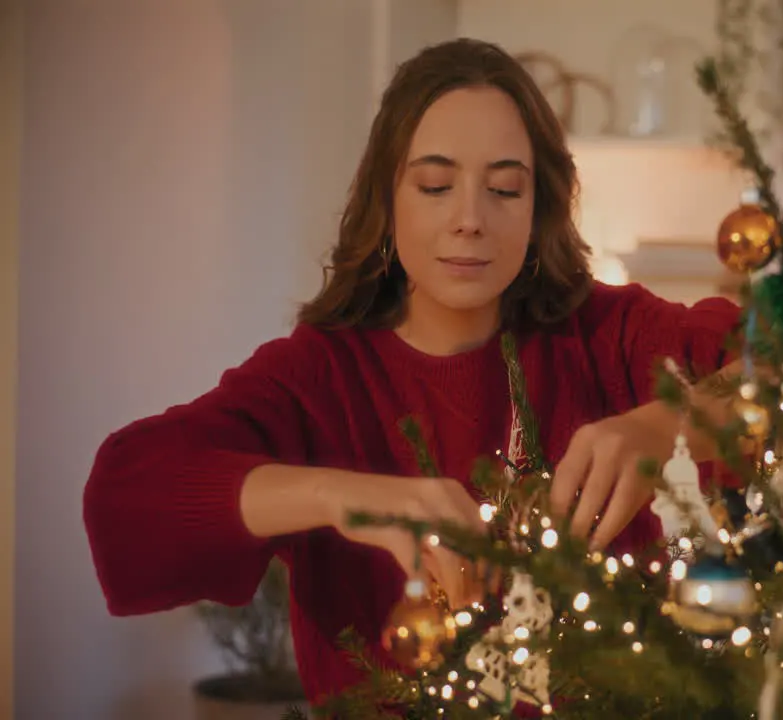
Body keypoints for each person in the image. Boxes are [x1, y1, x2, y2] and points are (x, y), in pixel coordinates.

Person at [82, 37, 742, 707]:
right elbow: (126, 497)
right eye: (435, 185)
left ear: (539, 204)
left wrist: (671, 422)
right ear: (387, 198)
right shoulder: (318, 375)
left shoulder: (604, 333)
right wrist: (345, 500)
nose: (469, 220)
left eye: (505, 188)